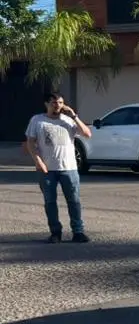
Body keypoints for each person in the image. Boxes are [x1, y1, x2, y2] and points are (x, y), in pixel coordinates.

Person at [25, 92, 93, 243]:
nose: (57, 105)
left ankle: (78, 231)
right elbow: (30, 142)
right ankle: (55, 232)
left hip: (69, 168)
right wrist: (38, 161)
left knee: (74, 200)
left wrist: (74, 116)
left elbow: (87, 134)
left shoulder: (68, 120)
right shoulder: (37, 120)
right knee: (50, 201)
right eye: (54, 102)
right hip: (47, 169)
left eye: (61, 102)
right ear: (46, 104)